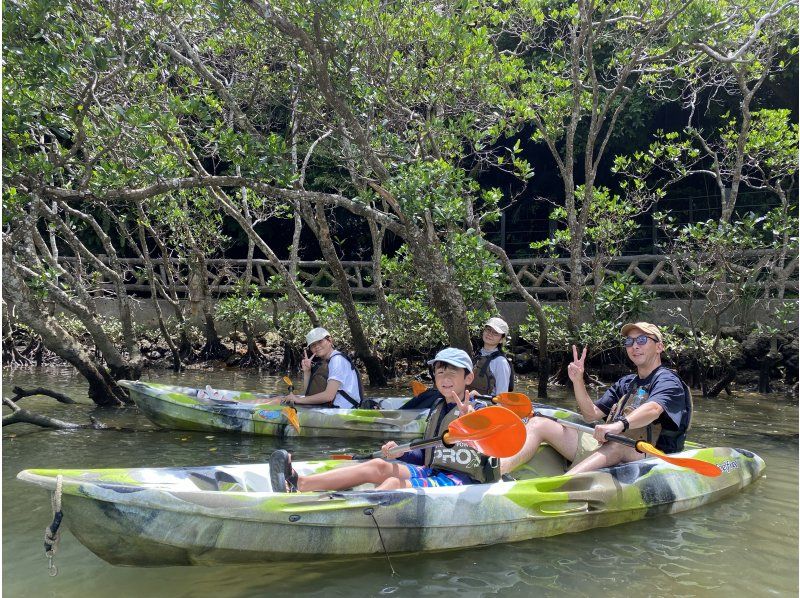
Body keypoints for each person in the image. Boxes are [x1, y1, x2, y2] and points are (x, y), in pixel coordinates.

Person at [268, 348, 501, 492]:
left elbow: (494, 450)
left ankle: (359, 514)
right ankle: (299, 483)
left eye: (452, 372)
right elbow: (428, 455)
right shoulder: (438, 407)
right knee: (378, 466)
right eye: (440, 372)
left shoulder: (478, 411)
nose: (445, 378)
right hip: (434, 470)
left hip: (462, 479)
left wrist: (472, 427)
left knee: (392, 484)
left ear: (468, 378)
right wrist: (402, 453)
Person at [501, 322, 692, 476]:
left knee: (618, 443)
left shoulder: (667, 380)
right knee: (538, 423)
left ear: (659, 347)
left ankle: (561, 485)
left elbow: (654, 409)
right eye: (629, 341)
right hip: (611, 444)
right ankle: (498, 472)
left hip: (650, 456)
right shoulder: (626, 383)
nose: (634, 346)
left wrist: (618, 426)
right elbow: (591, 415)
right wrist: (578, 381)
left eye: (642, 340)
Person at [265, 327, 364, 408]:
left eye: (320, 342)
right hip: (331, 405)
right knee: (279, 398)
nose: (316, 346)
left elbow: (329, 396)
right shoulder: (327, 361)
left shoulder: (337, 360)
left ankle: (255, 407)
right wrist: (307, 371)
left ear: (330, 340)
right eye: (313, 345)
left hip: (340, 409)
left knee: (278, 401)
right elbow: (309, 393)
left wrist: (298, 400)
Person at [469, 317, 514, 396]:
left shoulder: (501, 362)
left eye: (495, 333)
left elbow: (502, 398)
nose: (490, 334)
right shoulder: (476, 355)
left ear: (501, 339)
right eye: (488, 329)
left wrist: (479, 397)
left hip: (484, 403)